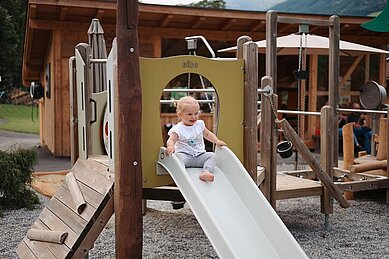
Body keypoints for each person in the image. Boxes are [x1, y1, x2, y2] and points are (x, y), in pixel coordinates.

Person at [165, 96, 226, 182]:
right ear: (180, 115)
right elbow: (171, 140)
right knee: (177, 159)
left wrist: (217, 141)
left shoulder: (200, 124)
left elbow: (208, 134)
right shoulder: (178, 128)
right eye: (189, 114)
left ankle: (206, 172)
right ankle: (181, 173)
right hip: (185, 156)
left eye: (196, 113)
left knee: (213, 156)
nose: (193, 117)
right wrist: (171, 147)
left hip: (199, 156)